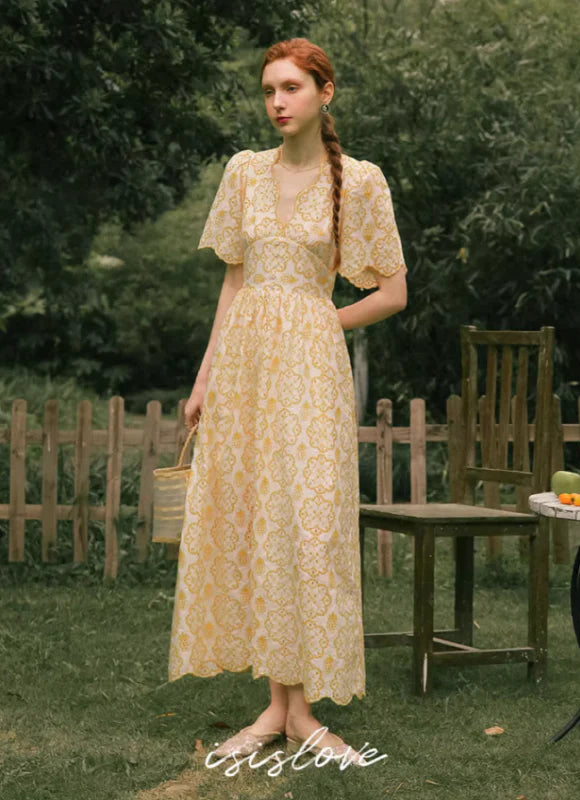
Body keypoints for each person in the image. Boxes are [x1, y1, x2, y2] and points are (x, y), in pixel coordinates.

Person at [167, 37, 408, 767]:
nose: (277, 101)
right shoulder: (244, 173)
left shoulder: (358, 182)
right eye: (269, 88)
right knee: (256, 521)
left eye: (292, 87)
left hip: (311, 368)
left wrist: (318, 319)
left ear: (324, 93)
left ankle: (302, 711)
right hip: (244, 369)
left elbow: (392, 292)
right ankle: (280, 706)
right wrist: (205, 377)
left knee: (308, 521)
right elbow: (234, 282)